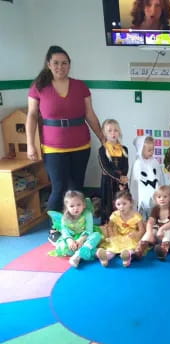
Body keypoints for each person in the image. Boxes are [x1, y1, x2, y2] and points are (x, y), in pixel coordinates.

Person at [26, 46, 104, 242]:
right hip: (53, 148)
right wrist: (30, 144)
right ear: (49, 64)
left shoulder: (80, 86)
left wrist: (104, 138)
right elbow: (32, 116)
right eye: (56, 63)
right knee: (59, 187)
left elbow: (90, 115)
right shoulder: (38, 87)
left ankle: (77, 226)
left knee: (76, 187)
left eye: (64, 63)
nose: (60, 67)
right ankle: (55, 226)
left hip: (81, 145)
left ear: (69, 65)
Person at [47, 190, 102, 268]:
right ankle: (92, 252)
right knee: (65, 248)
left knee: (97, 235)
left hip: (85, 237)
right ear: (67, 207)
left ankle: (78, 254)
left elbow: (89, 230)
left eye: (78, 205)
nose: (76, 208)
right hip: (72, 239)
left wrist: (81, 240)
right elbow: (65, 231)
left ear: (84, 205)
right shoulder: (64, 218)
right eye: (72, 206)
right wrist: (70, 241)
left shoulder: (87, 214)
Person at [96, 190, 145, 267]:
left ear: (131, 203)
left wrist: (138, 235)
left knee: (131, 248)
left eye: (124, 204)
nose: (121, 207)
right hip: (118, 236)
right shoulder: (115, 215)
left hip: (131, 237)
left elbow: (142, 230)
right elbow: (110, 226)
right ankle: (105, 257)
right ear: (115, 204)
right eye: (118, 204)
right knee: (112, 248)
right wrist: (112, 236)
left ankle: (127, 257)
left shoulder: (136, 216)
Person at [98, 119, 129, 223]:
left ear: (119, 132)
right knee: (108, 203)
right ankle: (108, 223)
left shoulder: (124, 149)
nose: (113, 133)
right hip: (108, 182)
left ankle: (122, 223)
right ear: (104, 133)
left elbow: (125, 166)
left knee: (122, 201)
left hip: (121, 182)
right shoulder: (103, 149)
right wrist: (119, 177)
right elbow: (105, 168)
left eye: (115, 130)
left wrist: (123, 178)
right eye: (110, 131)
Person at [139, 185, 170, 260]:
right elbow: (150, 222)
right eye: (159, 197)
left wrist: (161, 229)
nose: (162, 199)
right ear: (155, 198)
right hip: (158, 234)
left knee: (168, 230)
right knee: (151, 230)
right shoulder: (155, 209)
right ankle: (140, 250)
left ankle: (164, 250)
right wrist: (149, 233)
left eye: (165, 196)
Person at [130, 135, 165, 219]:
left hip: (154, 194)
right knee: (141, 214)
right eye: (149, 150)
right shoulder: (138, 163)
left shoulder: (154, 162)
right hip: (142, 195)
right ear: (141, 150)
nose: (152, 152)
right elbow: (134, 182)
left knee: (153, 212)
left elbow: (160, 177)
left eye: (153, 150)